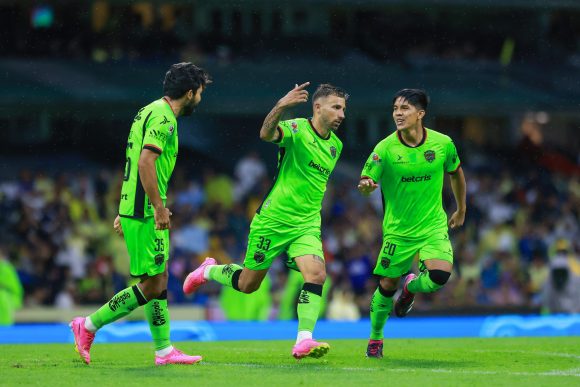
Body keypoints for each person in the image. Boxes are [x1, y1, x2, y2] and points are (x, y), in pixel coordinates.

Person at [184, 83, 348, 359]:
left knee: (317, 274)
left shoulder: (336, 146)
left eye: (343, 108)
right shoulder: (297, 129)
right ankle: (208, 271)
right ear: (317, 107)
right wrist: (282, 106)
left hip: (306, 224)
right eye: (336, 107)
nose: (342, 114)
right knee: (249, 284)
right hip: (273, 220)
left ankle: (304, 339)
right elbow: (265, 133)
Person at [70, 62, 211, 366]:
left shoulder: (147, 110)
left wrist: (127, 208)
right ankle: (89, 325)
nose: (200, 99)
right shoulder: (165, 119)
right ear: (189, 93)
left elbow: (132, 160)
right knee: (151, 285)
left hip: (138, 206)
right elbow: (146, 162)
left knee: (157, 280)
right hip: (146, 210)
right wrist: (157, 207)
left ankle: (163, 351)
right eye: (199, 93)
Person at [358, 89, 466, 358]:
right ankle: (376, 338)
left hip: (432, 227)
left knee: (439, 277)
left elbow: (456, 174)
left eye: (405, 108)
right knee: (386, 286)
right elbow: (365, 179)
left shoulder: (443, 144)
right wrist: (366, 186)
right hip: (398, 232)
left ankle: (411, 288)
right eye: (395, 108)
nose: (398, 113)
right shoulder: (384, 148)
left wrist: (461, 208)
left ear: (420, 114)